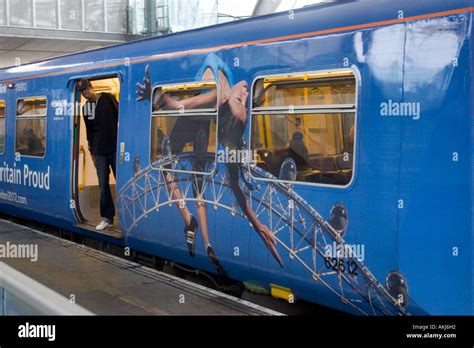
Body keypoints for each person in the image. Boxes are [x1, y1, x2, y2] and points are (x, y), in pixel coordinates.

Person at [137, 54, 284, 270]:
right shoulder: (235, 94)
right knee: (194, 177)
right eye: (243, 97)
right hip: (200, 121)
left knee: (173, 169)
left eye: (241, 100)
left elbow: (181, 105)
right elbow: (183, 105)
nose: (244, 92)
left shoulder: (220, 96)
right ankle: (198, 233)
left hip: (193, 120)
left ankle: (194, 228)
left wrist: (155, 96)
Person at [78, 78, 119, 231]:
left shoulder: (108, 99)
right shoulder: (85, 108)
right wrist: (92, 152)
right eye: (81, 92)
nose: (84, 94)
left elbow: (120, 115)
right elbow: (89, 132)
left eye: (85, 90)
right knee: (103, 185)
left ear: (91, 87)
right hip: (99, 151)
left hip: (115, 148)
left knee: (121, 183)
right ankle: (107, 218)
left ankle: (126, 216)